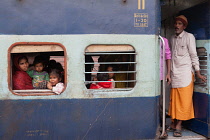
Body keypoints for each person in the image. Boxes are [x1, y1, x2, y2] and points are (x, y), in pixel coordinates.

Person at [168, 15, 207, 137]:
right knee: (174, 100)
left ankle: (179, 125)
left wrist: (198, 72)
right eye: (176, 23)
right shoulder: (172, 38)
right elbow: (170, 58)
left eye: (180, 24)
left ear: (184, 26)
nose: (177, 26)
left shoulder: (189, 37)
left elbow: (194, 55)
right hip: (175, 74)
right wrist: (168, 73)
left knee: (184, 101)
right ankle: (174, 123)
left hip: (185, 74)